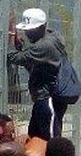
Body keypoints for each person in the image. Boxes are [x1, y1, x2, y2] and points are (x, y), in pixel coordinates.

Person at [8, 8, 68, 141]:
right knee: (35, 140)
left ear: (41, 28)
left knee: (50, 143)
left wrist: (12, 34)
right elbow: (31, 62)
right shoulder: (53, 36)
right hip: (44, 99)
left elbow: (13, 57)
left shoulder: (44, 46)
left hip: (48, 99)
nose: (28, 33)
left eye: (31, 30)